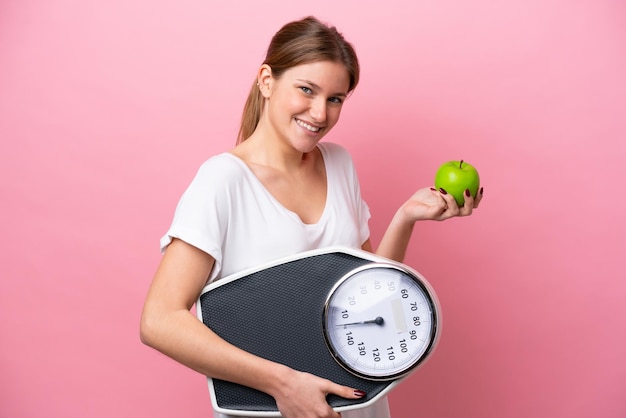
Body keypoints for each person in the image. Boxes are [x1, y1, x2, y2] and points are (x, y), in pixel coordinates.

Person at [140, 15, 483, 418]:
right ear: (266, 81)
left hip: (360, 404)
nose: (320, 113)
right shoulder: (223, 181)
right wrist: (283, 384)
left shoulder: (339, 163)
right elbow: (159, 320)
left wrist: (405, 217)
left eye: (335, 99)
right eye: (306, 90)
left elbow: (367, 293)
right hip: (277, 408)